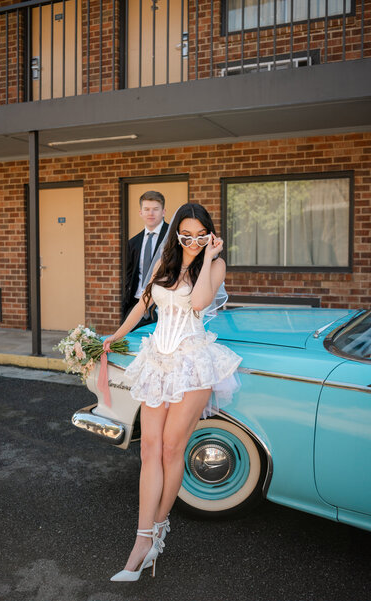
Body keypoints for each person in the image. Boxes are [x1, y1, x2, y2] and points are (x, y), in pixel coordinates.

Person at [103, 203, 242, 582]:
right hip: (157, 360)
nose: (194, 241)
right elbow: (142, 303)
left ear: (209, 234)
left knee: (170, 449)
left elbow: (198, 303)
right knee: (149, 449)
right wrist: (114, 337)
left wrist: (209, 254)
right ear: (176, 233)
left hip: (193, 363)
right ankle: (143, 538)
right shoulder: (164, 263)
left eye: (201, 234)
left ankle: (156, 531)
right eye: (187, 235)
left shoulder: (214, 265)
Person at [122, 190, 169, 327]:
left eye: (155, 209)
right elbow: (129, 275)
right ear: (140, 212)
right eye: (146, 209)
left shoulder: (173, 238)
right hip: (136, 304)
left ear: (163, 211)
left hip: (162, 306)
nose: (151, 213)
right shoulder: (133, 242)